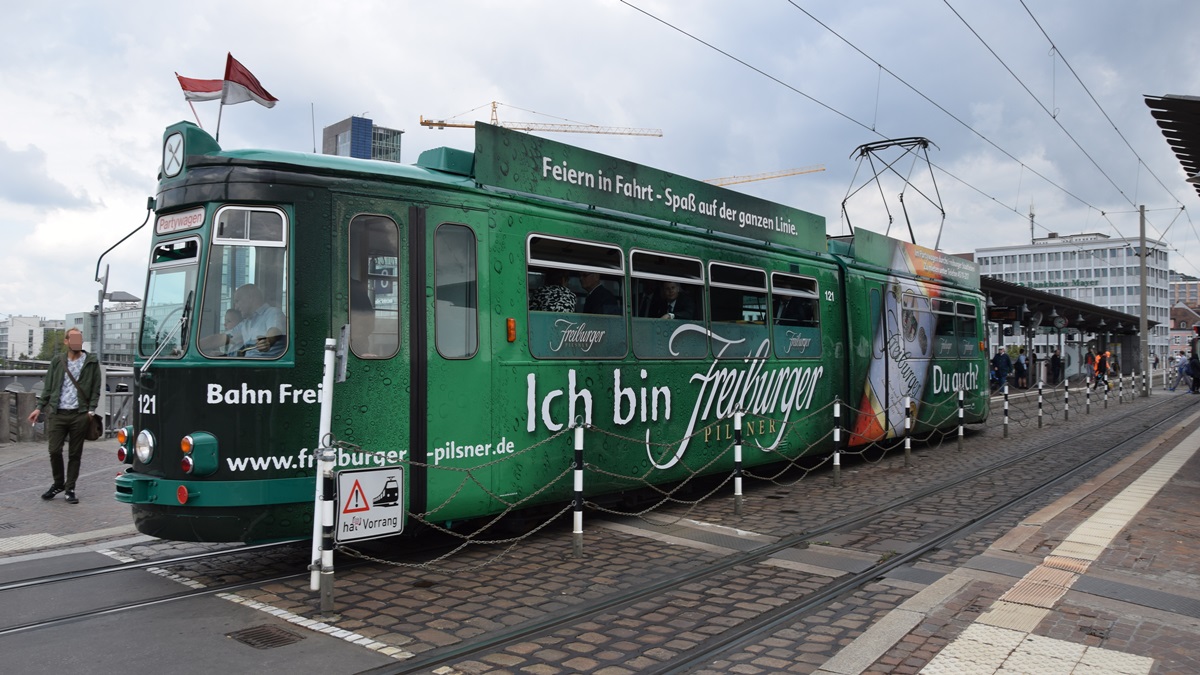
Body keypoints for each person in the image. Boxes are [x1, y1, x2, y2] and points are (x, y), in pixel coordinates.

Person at [27, 327, 100, 504]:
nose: (77, 342)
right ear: (66, 342)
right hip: (58, 413)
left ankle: (70, 488)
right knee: (54, 451)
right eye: (73, 339)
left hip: (79, 414)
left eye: (79, 339)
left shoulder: (91, 361)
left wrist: (90, 411)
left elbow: (96, 388)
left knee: (75, 454)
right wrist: (39, 407)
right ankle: (58, 483)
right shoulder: (57, 361)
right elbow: (49, 387)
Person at [202, 284, 287, 357]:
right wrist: (194, 346)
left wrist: (268, 341)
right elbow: (220, 339)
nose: (236, 307)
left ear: (250, 297)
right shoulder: (245, 324)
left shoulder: (272, 312)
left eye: (237, 301)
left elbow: (274, 331)